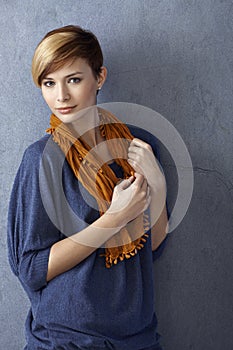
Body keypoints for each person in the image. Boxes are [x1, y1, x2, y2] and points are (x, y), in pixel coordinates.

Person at [7, 25, 169, 350]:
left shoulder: (140, 146)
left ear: (100, 77)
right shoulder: (41, 159)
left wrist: (158, 185)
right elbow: (30, 269)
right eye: (49, 83)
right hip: (65, 341)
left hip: (137, 339)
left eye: (74, 79)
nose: (61, 96)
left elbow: (153, 248)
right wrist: (115, 218)